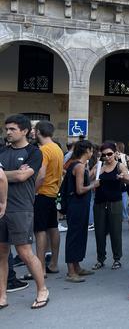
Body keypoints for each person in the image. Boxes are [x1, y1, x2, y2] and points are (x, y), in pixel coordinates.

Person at [0, 114, 50, 308]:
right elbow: (18, 174)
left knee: (24, 252)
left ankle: (42, 289)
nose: (8, 132)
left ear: (25, 131)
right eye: (6, 129)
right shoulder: (3, 151)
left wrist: (4, 174)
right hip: (1, 208)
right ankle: (2, 296)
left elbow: (23, 176)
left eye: (12, 129)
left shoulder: (34, 152)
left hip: (21, 208)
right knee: (2, 253)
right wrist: (14, 174)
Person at [62, 140, 98, 282]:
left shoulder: (74, 164)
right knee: (74, 236)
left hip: (76, 205)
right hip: (77, 205)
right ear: (87, 150)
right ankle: (71, 271)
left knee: (79, 235)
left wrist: (91, 176)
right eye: (91, 150)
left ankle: (76, 266)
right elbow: (80, 189)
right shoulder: (80, 166)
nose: (92, 153)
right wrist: (93, 184)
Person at [30, 121, 63, 277]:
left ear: (38, 132)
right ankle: (54, 264)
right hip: (52, 193)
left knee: (40, 230)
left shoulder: (43, 150)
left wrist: (33, 192)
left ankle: (40, 268)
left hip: (42, 193)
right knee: (53, 228)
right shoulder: (57, 148)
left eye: (33, 130)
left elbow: (41, 175)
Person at [93, 142, 129, 271]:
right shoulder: (99, 166)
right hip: (99, 203)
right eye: (104, 155)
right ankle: (100, 259)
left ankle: (117, 259)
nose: (107, 157)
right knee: (100, 232)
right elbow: (88, 177)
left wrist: (123, 177)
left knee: (115, 231)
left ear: (115, 153)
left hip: (115, 202)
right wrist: (95, 170)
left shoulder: (120, 166)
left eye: (109, 154)